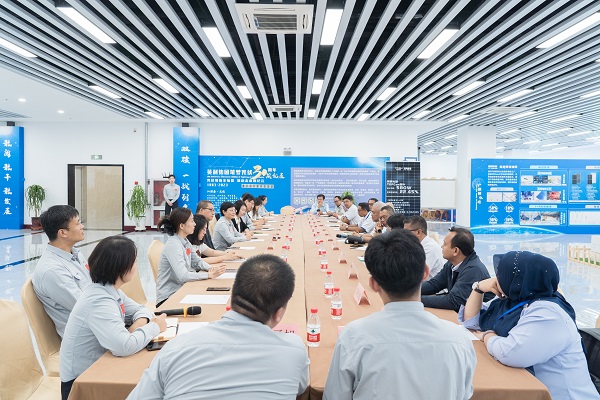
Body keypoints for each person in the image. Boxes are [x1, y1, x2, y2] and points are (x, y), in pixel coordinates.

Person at [127, 255, 310, 399]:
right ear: (279, 314)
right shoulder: (295, 350)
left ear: (231, 299)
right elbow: (300, 387)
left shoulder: (175, 349)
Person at [323, 230, 476, 399]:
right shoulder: (459, 341)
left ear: (373, 284)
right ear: (425, 273)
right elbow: (465, 394)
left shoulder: (353, 338)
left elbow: (335, 396)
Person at [461, 251, 600, 400]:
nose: (496, 279)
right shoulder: (514, 299)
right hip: (525, 385)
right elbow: (472, 322)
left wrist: (487, 336)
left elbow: (509, 353)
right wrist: (478, 288)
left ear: (517, 280)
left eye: (501, 275)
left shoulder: (548, 312)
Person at [60, 236, 167, 400]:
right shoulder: (99, 300)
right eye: (134, 261)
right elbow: (124, 346)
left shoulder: (109, 290)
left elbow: (141, 310)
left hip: (102, 368)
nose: (136, 266)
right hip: (82, 383)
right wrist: (155, 327)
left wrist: (137, 326)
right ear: (122, 267)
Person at [32, 205, 91, 338]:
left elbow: (100, 287)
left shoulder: (75, 254)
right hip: (86, 338)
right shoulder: (52, 271)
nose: (82, 226)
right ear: (63, 233)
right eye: (78, 223)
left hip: (101, 325)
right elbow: (86, 309)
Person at [156, 208, 226, 307]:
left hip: (182, 289)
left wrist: (211, 268)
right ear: (182, 226)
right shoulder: (174, 245)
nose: (195, 224)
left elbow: (197, 261)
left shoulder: (185, 241)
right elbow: (183, 276)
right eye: (192, 221)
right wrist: (208, 275)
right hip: (169, 297)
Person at [421, 227, 492, 311]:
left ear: (455, 251)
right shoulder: (451, 264)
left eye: (445, 244)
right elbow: (434, 284)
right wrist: (410, 291)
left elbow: (454, 302)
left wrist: (417, 300)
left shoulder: (473, 270)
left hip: (480, 317)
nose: (441, 246)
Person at [404, 215, 444, 280]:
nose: (403, 235)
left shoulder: (430, 248)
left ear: (418, 232)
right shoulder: (418, 246)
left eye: (406, 232)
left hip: (430, 286)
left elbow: (417, 274)